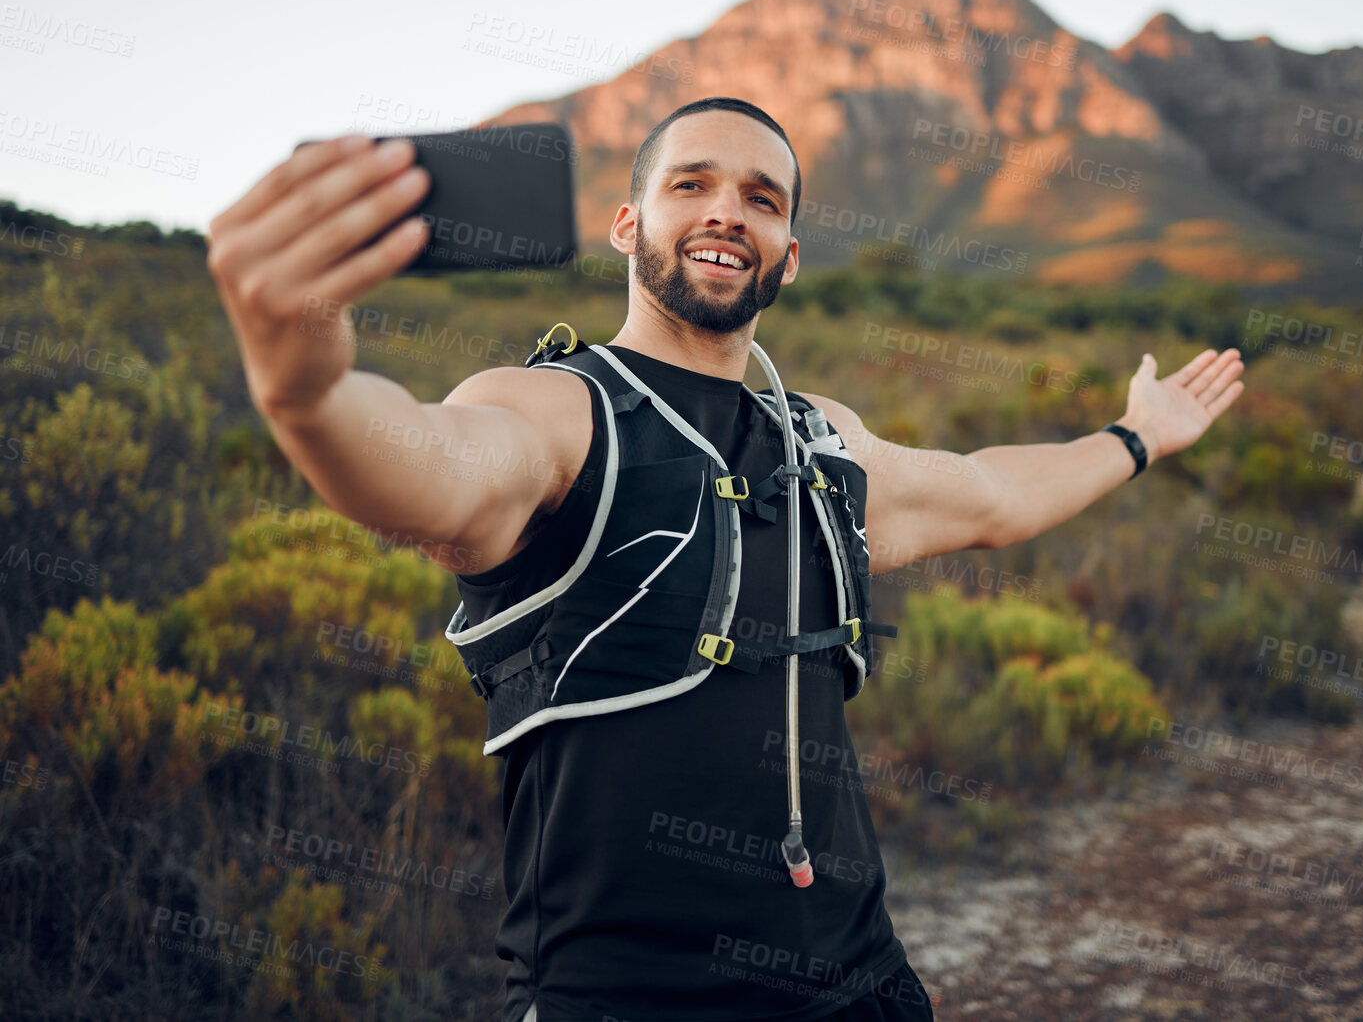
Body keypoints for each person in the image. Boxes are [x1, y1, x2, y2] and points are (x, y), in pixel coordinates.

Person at [204, 96, 1245, 1021]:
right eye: (689, 183)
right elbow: (421, 469)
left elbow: (990, 494)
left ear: (787, 253)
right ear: (629, 224)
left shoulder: (819, 436)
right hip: (622, 998)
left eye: (762, 197)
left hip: (862, 985)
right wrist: (303, 387)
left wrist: (1136, 437)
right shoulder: (553, 409)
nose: (725, 211)